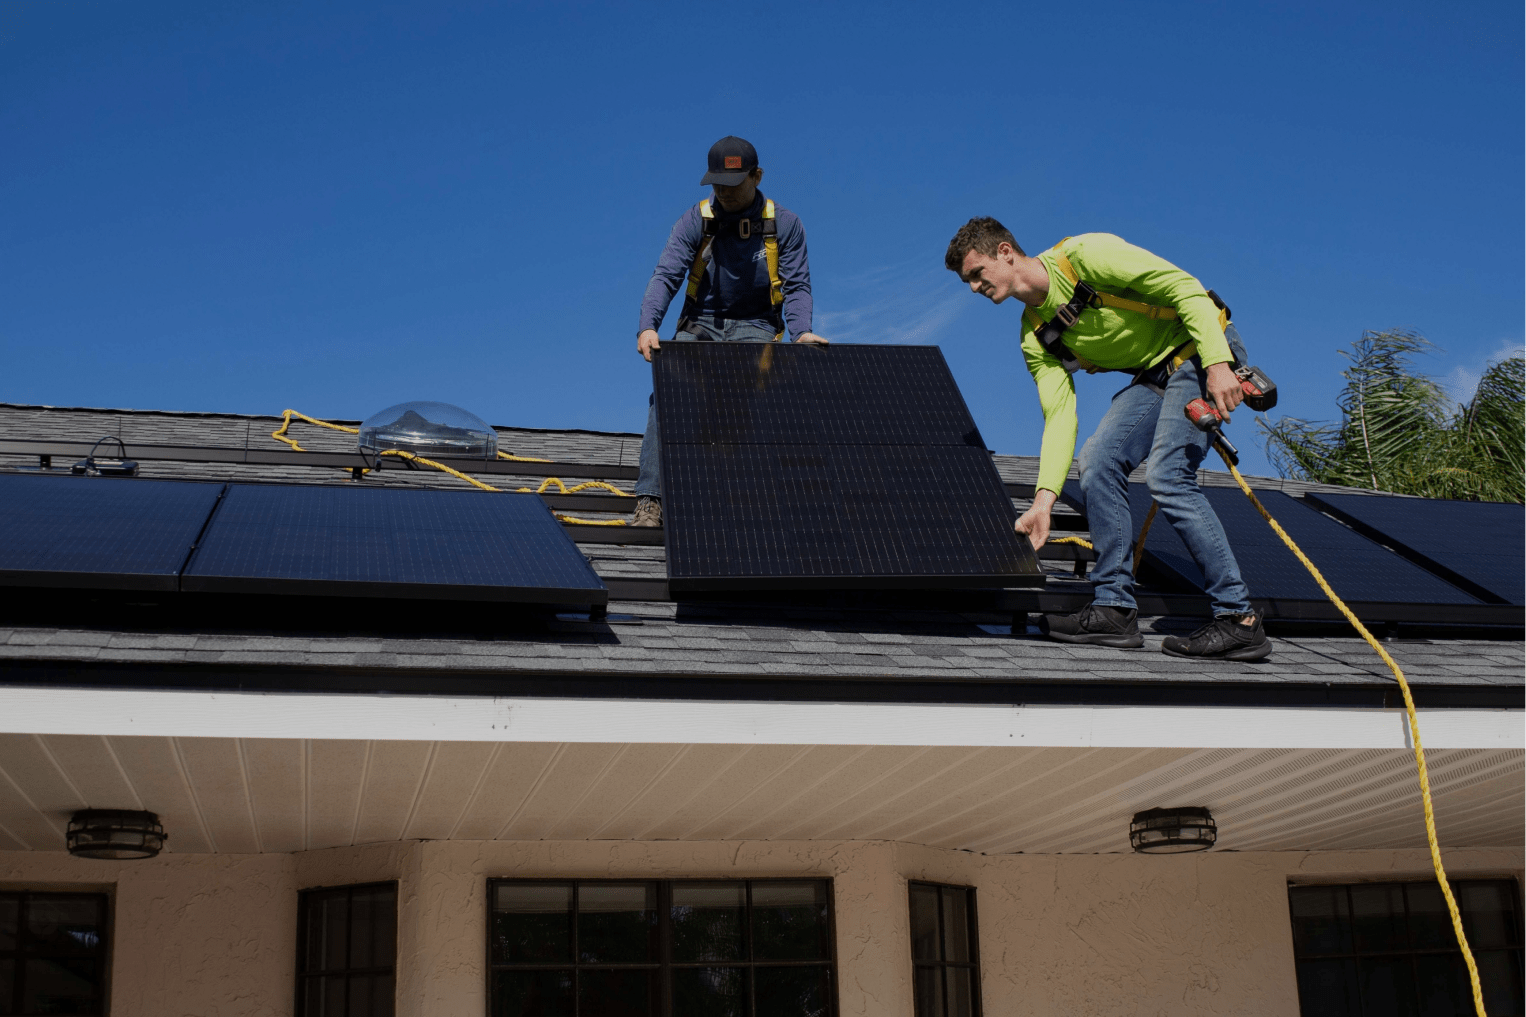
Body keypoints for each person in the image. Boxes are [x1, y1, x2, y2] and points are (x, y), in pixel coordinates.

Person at [945, 219, 1271, 661]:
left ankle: (1239, 619)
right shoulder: (1036, 336)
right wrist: (1044, 502)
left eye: (976, 273)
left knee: (1168, 476)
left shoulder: (1083, 256)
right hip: (1156, 375)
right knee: (1097, 461)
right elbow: (1060, 416)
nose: (973, 287)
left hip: (1198, 348)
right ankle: (1114, 608)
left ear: (1005, 252)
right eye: (967, 281)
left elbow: (1186, 289)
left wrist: (1217, 364)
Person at [631, 136, 828, 526]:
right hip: (701, 322)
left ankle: (748, 497)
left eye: (733, 184)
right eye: (717, 183)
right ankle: (650, 500)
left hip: (756, 325)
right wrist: (648, 326)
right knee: (667, 394)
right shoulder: (695, 220)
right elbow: (666, 275)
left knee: (750, 391)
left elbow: (797, 285)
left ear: (757, 176)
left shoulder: (784, 224)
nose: (723, 192)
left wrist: (801, 332)